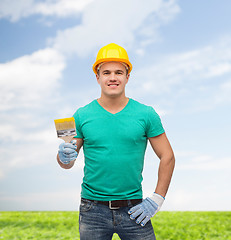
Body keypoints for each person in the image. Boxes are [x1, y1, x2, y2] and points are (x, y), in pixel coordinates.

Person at [57, 43, 175, 240]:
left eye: (119, 72)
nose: (113, 78)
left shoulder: (146, 114)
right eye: (107, 72)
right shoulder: (81, 115)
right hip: (92, 210)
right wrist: (63, 156)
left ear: (127, 77)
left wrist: (157, 199)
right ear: (98, 77)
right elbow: (67, 164)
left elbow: (167, 156)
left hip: (135, 209)